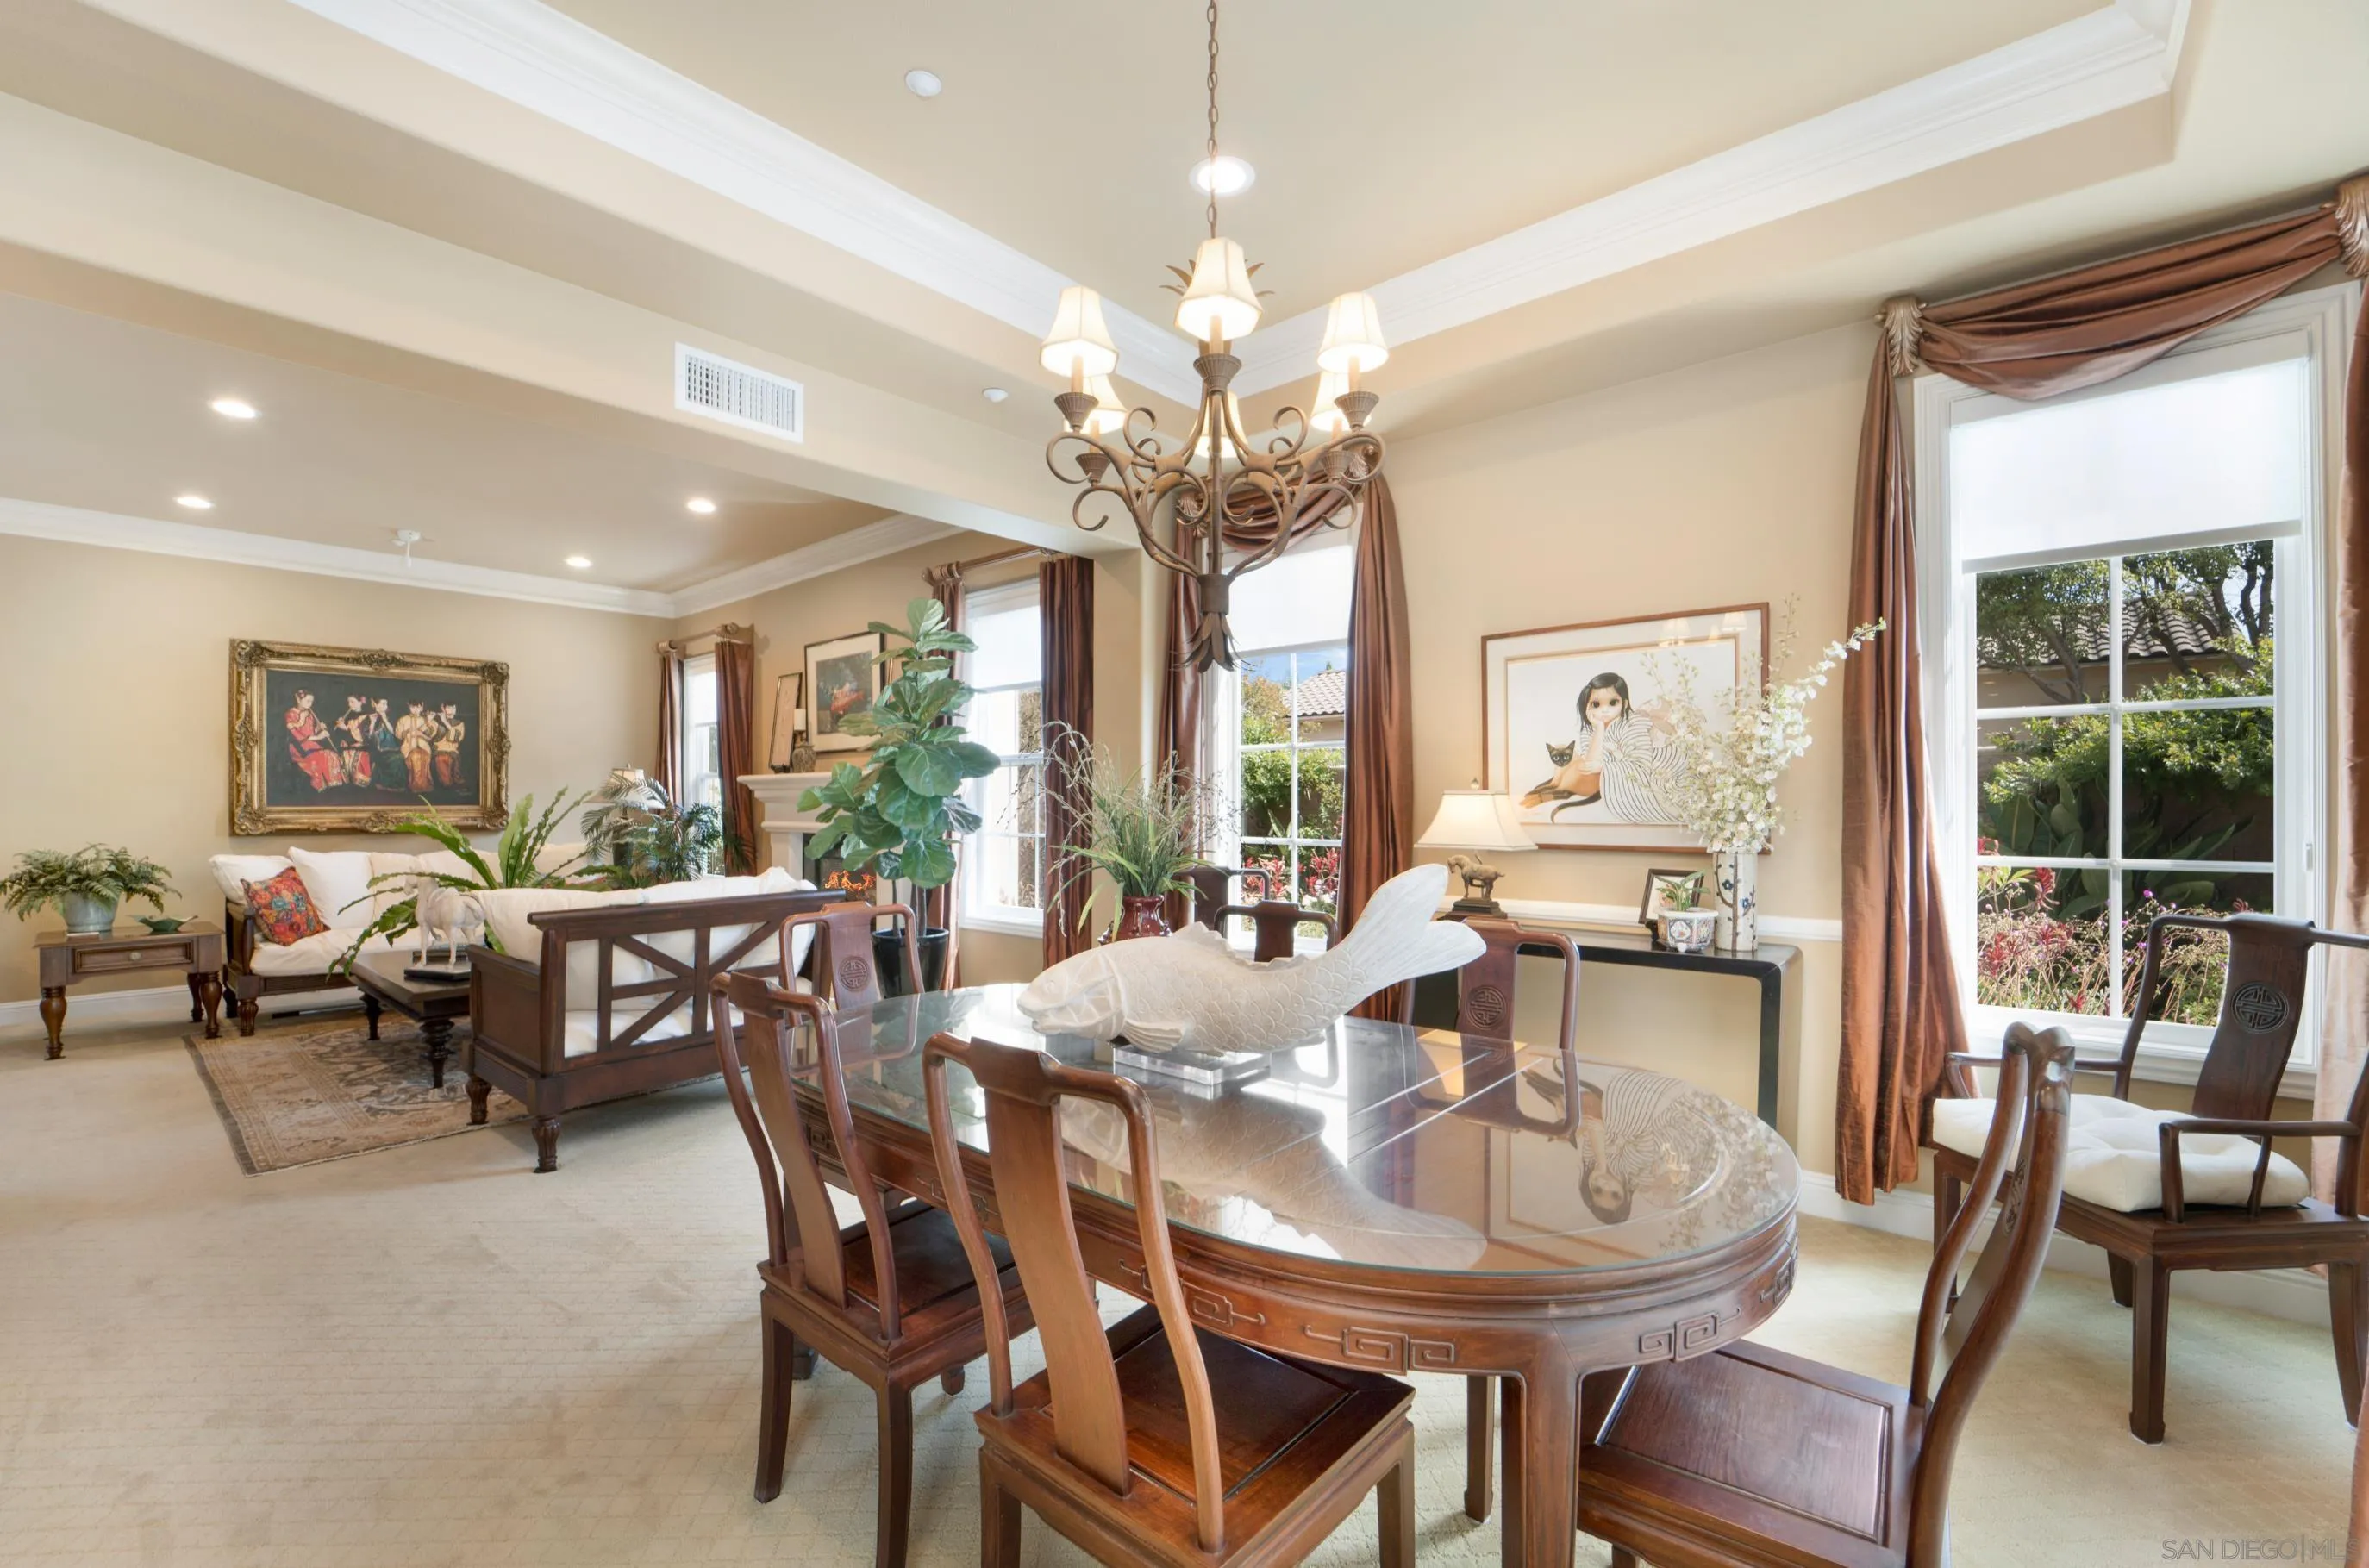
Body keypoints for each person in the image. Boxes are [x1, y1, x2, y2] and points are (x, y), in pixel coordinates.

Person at [1521, 672, 1678, 823]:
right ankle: (1547, 793)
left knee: (1578, 774)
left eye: (1612, 703)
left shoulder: (1634, 726)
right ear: (1587, 706)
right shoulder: (1591, 728)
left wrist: (1604, 767)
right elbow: (1589, 766)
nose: (1604, 710)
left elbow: (1641, 766)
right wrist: (1599, 729)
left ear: (1624, 704)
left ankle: (1553, 794)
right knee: (1576, 770)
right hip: (1596, 779)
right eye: (1596, 704)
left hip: (1632, 777)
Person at [284, 690, 344, 792]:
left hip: (312, 745)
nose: (310, 704)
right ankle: (321, 787)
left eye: (311, 701)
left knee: (332, 755)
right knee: (324, 756)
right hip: (299, 747)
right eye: (307, 701)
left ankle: (332, 787)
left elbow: (310, 732)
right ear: (298, 699)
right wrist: (319, 737)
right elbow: (296, 735)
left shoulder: (310, 714)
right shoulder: (290, 714)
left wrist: (319, 729)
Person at [332, 693, 373, 787]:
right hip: (347, 746)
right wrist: (339, 727)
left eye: (352, 702)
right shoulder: (347, 716)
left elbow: (365, 736)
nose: (350, 705)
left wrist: (346, 729)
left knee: (355, 757)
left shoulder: (366, 717)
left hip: (362, 746)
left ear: (360, 703)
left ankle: (358, 784)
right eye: (349, 702)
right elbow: (340, 735)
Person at [396, 700, 435, 793]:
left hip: (424, 747)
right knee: (414, 756)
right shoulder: (403, 719)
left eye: (418, 707)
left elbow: (431, 736)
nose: (415, 710)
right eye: (413, 707)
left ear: (422, 707)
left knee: (424, 756)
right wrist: (407, 731)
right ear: (408, 707)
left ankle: (425, 784)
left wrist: (422, 732)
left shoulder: (426, 719)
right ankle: (415, 784)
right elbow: (398, 734)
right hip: (408, 746)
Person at [367, 697, 403, 791]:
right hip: (376, 748)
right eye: (383, 704)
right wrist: (372, 723)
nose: (386, 706)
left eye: (386, 704)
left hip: (392, 747)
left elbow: (394, 732)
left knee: (398, 757)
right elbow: (368, 737)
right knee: (389, 758)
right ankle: (384, 785)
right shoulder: (369, 717)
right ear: (375, 704)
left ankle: (395, 786)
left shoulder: (391, 716)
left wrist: (385, 719)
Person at [431, 702, 466, 790]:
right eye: (449, 708)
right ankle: (447, 785)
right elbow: (431, 736)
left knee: (453, 760)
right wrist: (429, 720)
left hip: (453, 749)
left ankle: (455, 783)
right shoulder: (436, 721)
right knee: (441, 759)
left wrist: (445, 722)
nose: (451, 710)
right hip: (439, 749)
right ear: (443, 708)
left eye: (453, 708)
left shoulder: (460, 723)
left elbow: (456, 738)